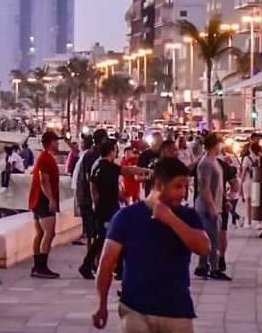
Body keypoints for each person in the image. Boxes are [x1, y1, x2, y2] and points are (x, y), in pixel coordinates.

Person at [92, 157, 211, 332]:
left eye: (185, 187)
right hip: (135, 309)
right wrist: (101, 304)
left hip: (177, 311)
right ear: (160, 185)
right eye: (178, 186)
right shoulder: (127, 217)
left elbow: (204, 248)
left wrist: (171, 219)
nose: (184, 193)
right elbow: (106, 263)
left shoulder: (188, 216)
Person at [80, 140, 150, 280]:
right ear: (112, 151)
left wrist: (97, 201)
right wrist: (147, 170)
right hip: (108, 208)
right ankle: (88, 265)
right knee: (107, 238)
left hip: (103, 207)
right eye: (115, 150)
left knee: (109, 237)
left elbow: (93, 186)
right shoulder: (109, 167)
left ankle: (118, 268)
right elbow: (128, 171)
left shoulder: (98, 167)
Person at [194, 133, 231, 280]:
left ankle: (203, 266)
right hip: (206, 207)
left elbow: (218, 186)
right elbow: (205, 187)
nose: (221, 146)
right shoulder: (206, 163)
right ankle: (214, 267)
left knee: (208, 237)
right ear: (214, 145)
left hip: (216, 204)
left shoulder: (214, 161)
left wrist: (224, 200)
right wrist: (212, 207)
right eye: (219, 143)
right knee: (212, 238)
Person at [29, 131, 61, 279]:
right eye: (56, 141)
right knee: (49, 233)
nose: (58, 143)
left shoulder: (43, 157)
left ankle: (37, 266)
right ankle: (42, 266)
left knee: (40, 234)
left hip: (37, 200)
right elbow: (44, 180)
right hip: (43, 201)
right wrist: (51, 199)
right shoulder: (45, 159)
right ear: (51, 142)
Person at [76, 129, 109, 266]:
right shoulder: (94, 156)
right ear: (102, 140)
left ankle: (93, 262)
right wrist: (97, 200)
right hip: (90, 199)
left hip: (86, 198)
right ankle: (92, 263)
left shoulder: (89, 154)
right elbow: (91, 180)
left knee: (93, 233)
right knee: (94, 232)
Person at [137, 132, 163, 197]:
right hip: (150, 185)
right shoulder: (145, 154)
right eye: (156, 140)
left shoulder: (166, 153)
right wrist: (146, 177)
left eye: (160, 140)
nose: (158, 142)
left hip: (164, 184)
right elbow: (139, 172)